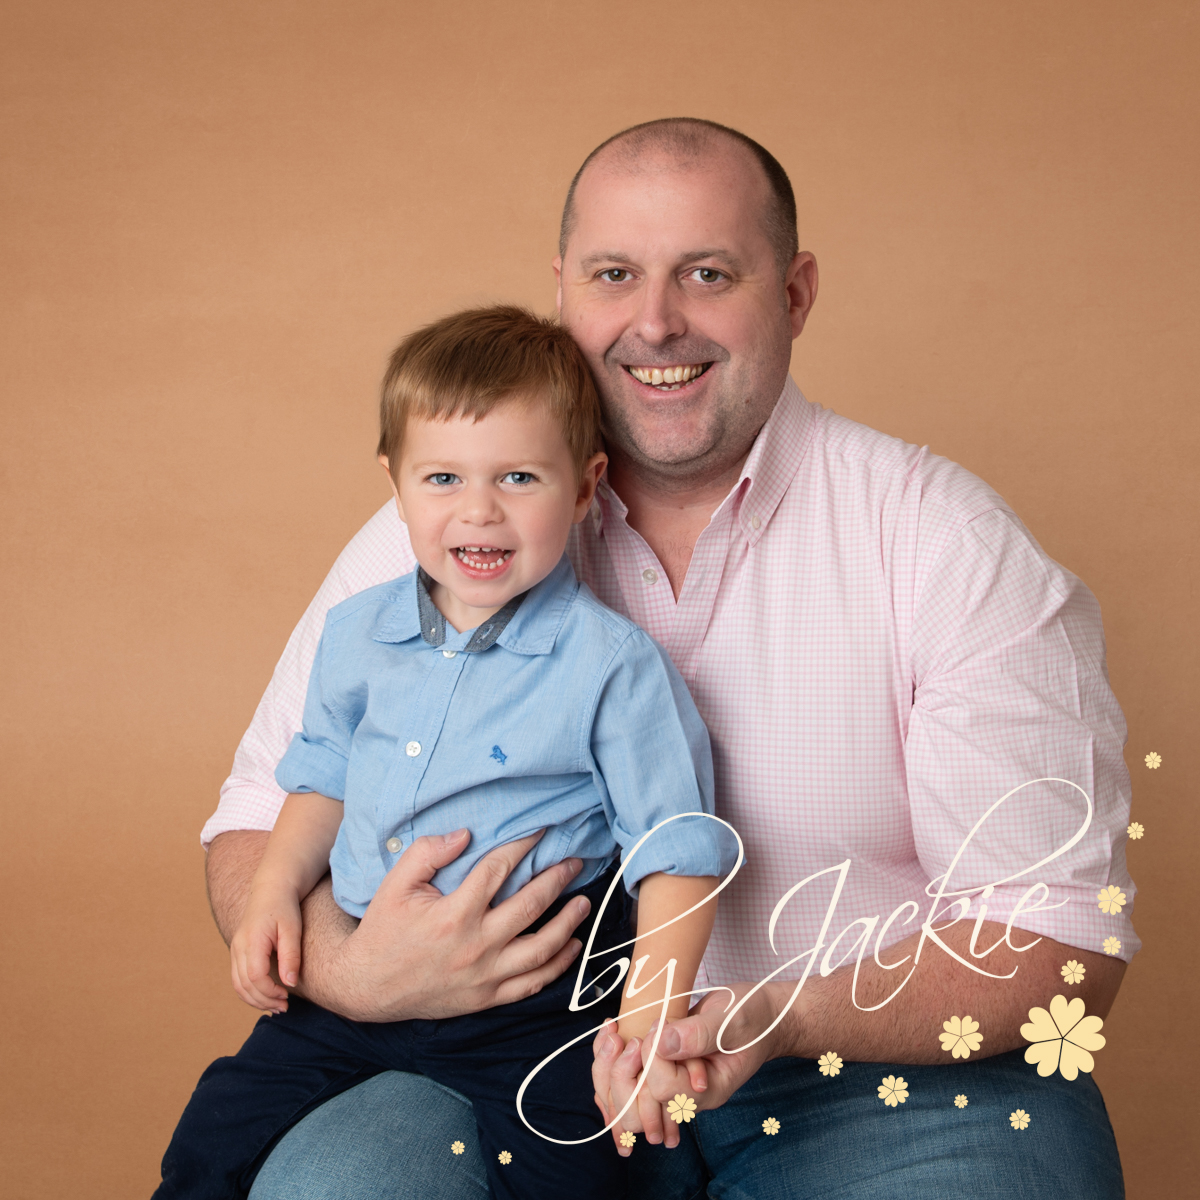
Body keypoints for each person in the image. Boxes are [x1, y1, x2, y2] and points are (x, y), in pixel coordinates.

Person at [203, 119, 1136, 1199]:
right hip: (484, 1058)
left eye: (706, 273)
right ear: (564, 291)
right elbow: (256, 818)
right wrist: (354, 971)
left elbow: (1056, 940)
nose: (655, 322)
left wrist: (777, 1017)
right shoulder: (449, 531)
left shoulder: (943, 543)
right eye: (615, 274)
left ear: (794, 293)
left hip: (867, 1074)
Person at [159, 307, 736, 1199]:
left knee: (580, 1174)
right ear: (395, 484)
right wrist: (273, 892)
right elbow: (322, 777)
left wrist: (646, 1021)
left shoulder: (610, 667)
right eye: (442, 477)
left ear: (584, 488)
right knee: (214, 1133)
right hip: (355, 989)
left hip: (534, 1003)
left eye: (517, 477)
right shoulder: (359, 632)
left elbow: (679, 852)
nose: (479, 510)